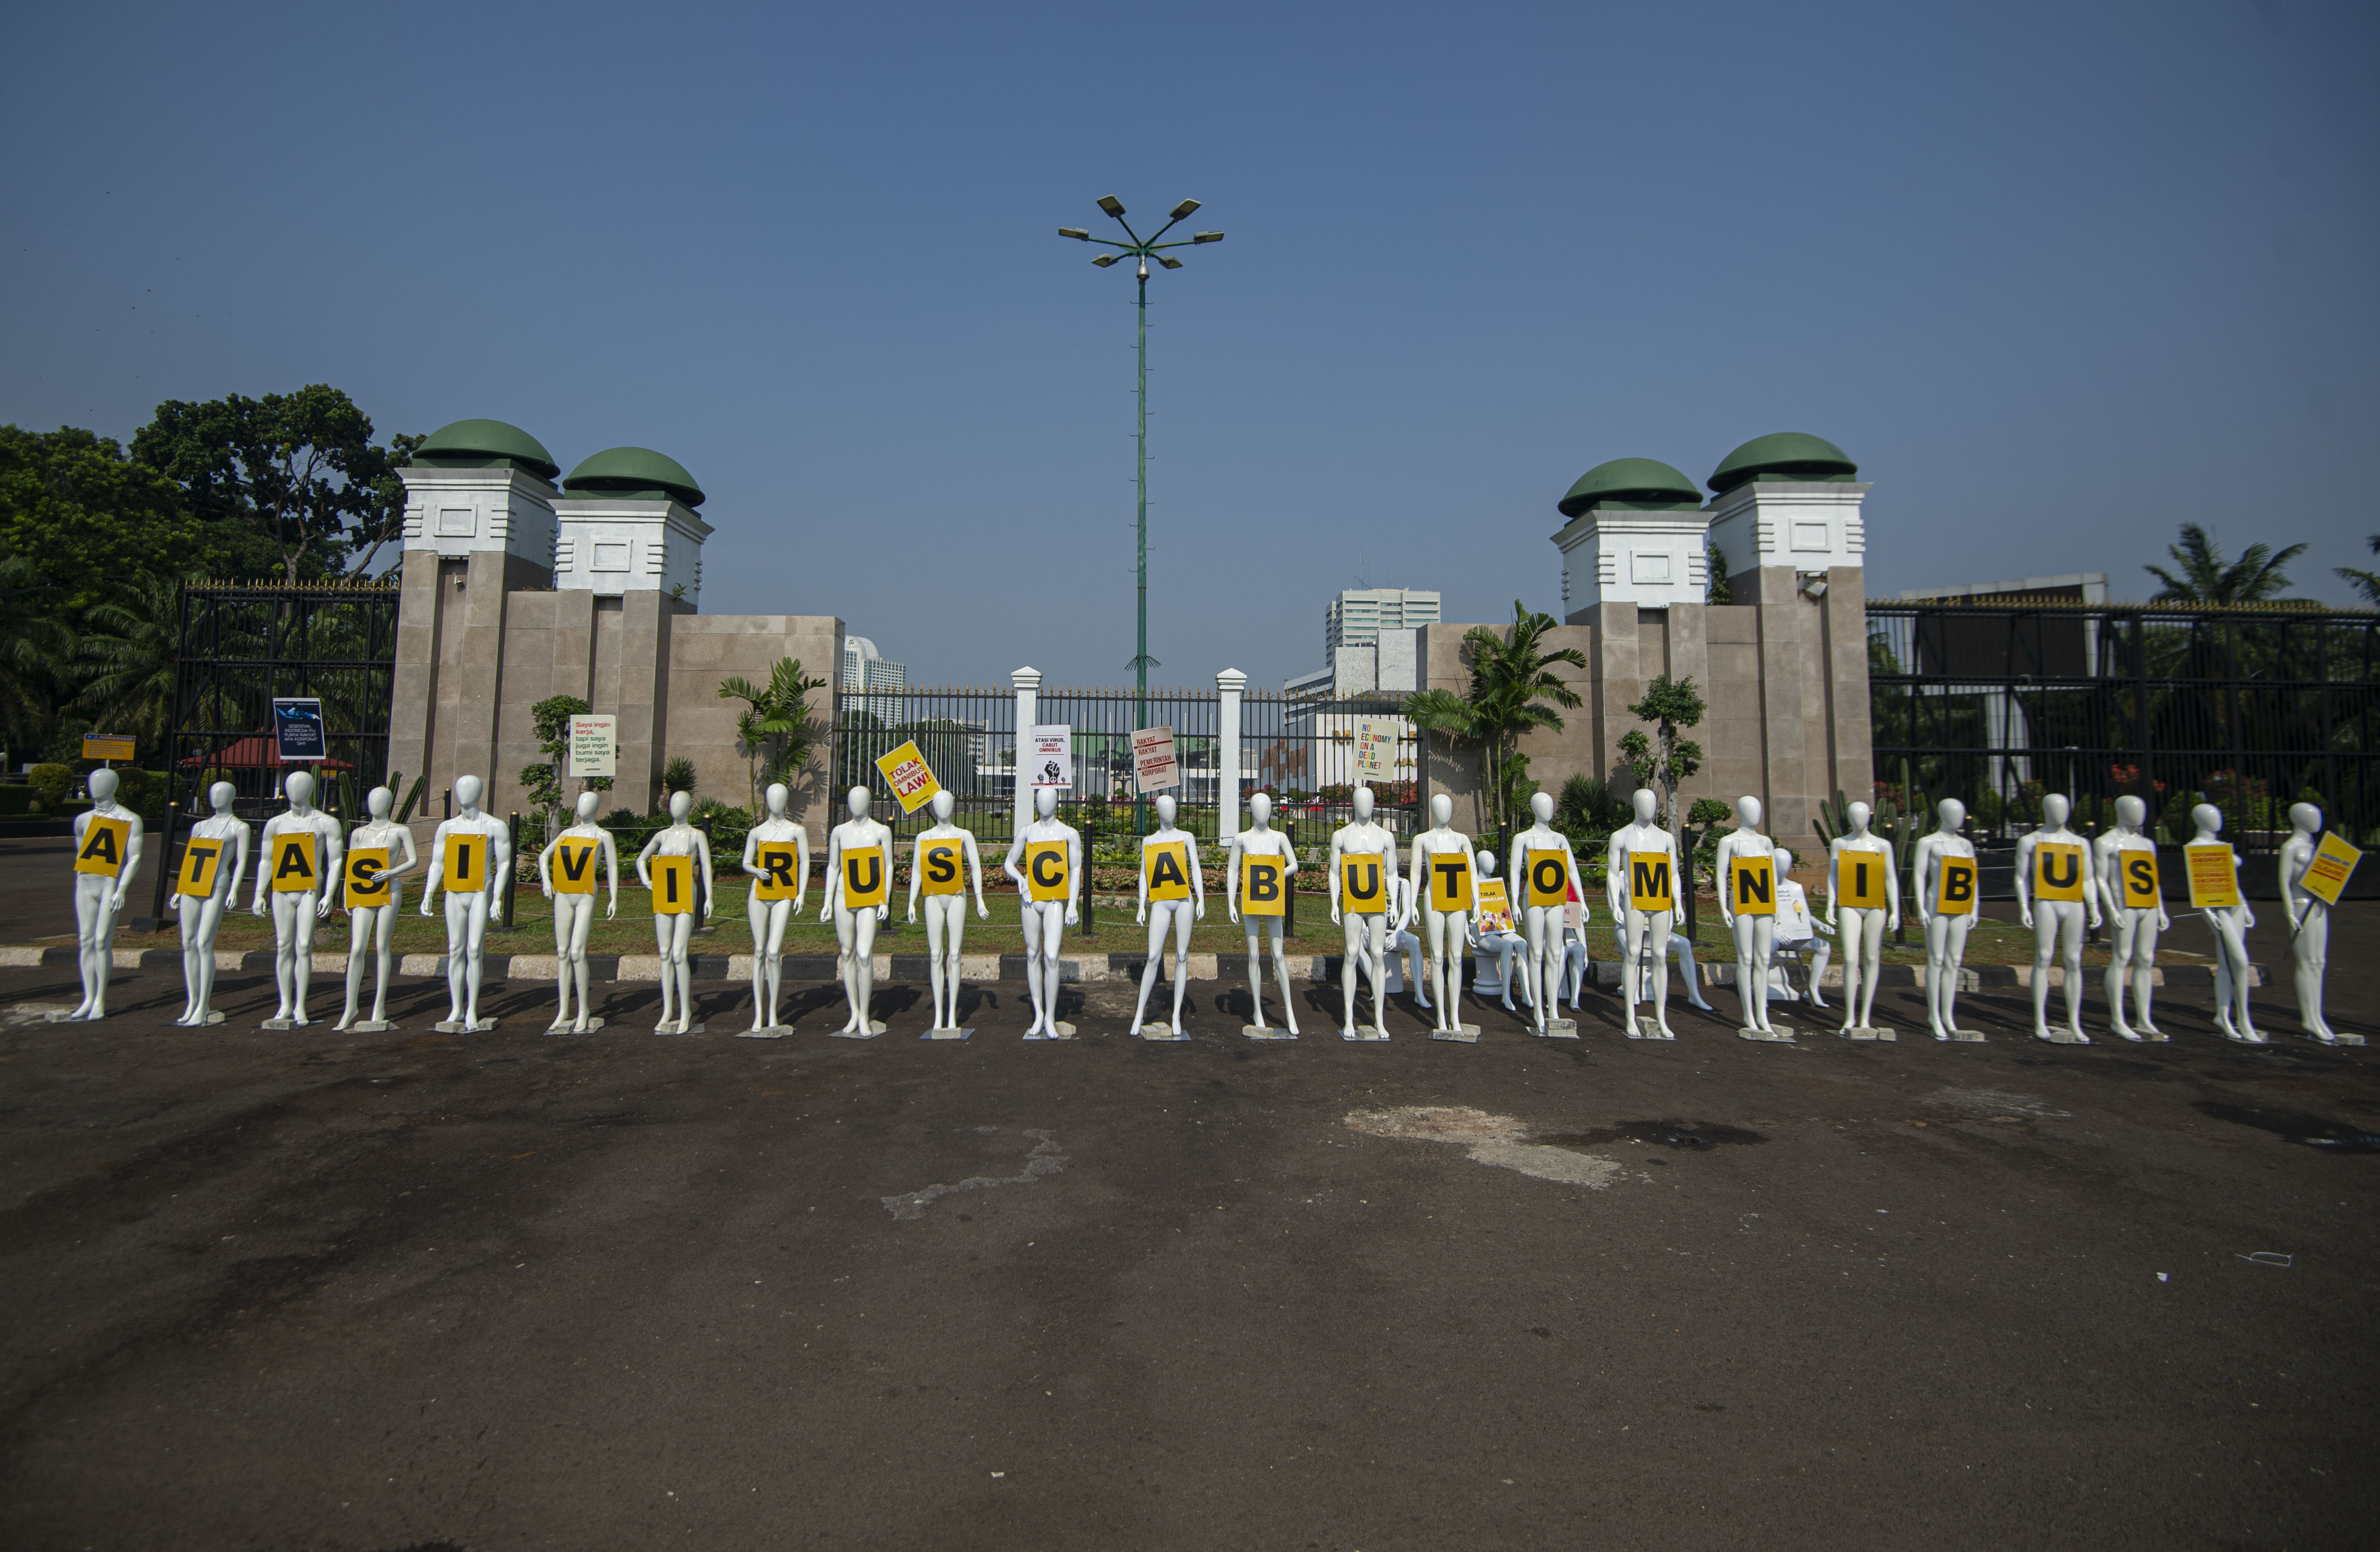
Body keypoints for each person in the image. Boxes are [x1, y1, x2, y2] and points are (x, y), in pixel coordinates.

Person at [1768, 847, 1834, 1010]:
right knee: (1771, 946)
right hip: (1772, 935)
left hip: (1793, 936)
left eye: (1786, 867)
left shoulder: (1794, 887)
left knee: (1824, 947)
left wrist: (1819, 924)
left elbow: (1803, 914)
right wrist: (1772, 930)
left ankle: (1812, 989)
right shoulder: (1763, 885)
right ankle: (1763, 987)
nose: (1782, 872)